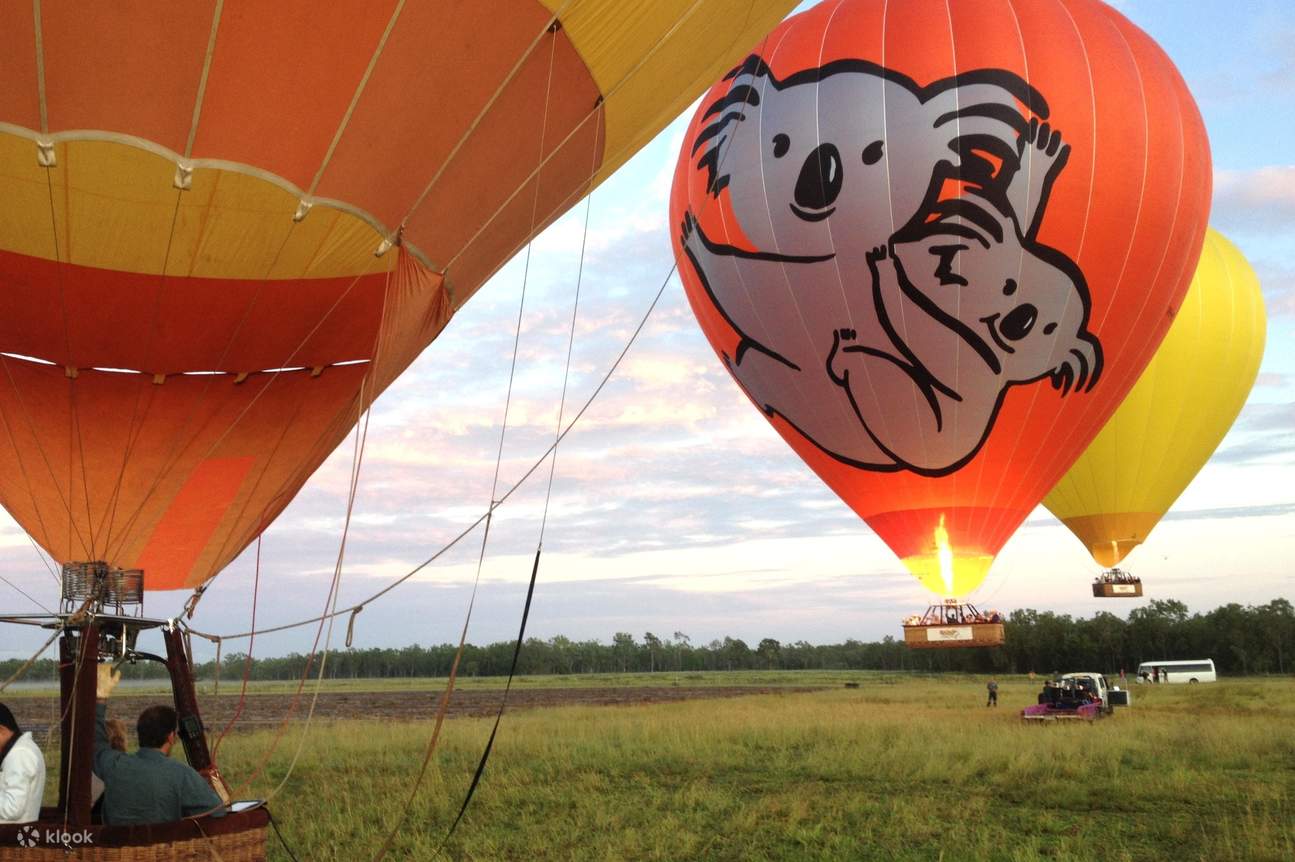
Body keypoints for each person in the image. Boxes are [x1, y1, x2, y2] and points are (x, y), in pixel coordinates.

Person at [94, 665, 225, 825]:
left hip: (116, 841)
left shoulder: (114, 765)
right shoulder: (183, 774)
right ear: (171, 737)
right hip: (162, 842)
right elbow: (217, 811)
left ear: (140, 733)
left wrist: (100, 699)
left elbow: (96, 743)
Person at [0, 703, 46, 824]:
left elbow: (12, 809)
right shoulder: (19, 751)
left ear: (1, 730)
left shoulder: (19, 755)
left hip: (10, 833)